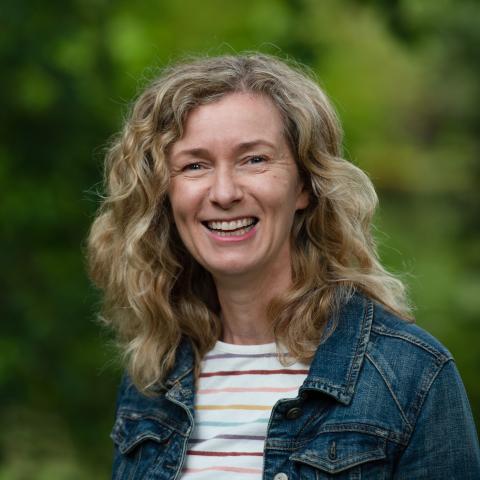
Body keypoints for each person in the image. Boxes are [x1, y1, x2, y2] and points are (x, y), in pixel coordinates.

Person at [87, 53, 480, 479]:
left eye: (253, 159)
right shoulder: (153, 377)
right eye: (194, 165)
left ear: (305, 186)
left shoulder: (409, 375)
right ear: (166, 194)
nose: (223, 192)